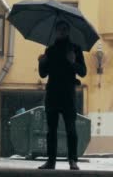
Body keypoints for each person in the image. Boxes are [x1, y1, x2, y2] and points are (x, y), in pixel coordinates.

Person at [37, 20, 87, 170]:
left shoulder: (75, 49)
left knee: (70, 129)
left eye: (65, 29)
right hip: (52, 93)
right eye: (59, 29)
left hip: (68, 95)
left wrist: (73, 62)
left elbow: (83, 72)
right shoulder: (50, 50)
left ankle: (72, 160)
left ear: (68, 31)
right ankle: (51, 161)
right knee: (51, 130)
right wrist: (41, 63)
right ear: (56, 31)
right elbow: (43, 73)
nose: (62, 32)